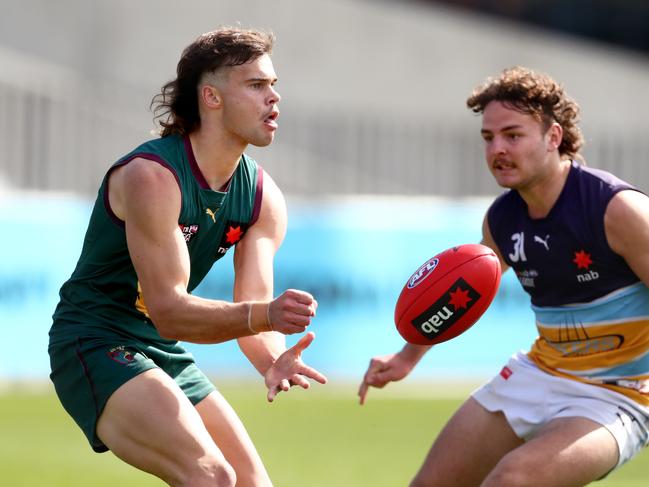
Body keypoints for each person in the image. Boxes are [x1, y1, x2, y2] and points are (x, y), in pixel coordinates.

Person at [48, 27, 327, 487]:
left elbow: (255, 310)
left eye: (274, 85)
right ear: (211, 97)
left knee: (253, 484)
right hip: (94, 341)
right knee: (211, 477)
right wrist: (268, 316)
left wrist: (273, 358)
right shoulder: (151, 177)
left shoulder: (262, 197)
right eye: (257, 85)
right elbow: (171, 312)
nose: (274, 98)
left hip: (157, 349)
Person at [359, 66, 649, 486]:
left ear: (554, 138)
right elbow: (458, 295)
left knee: (513, 480)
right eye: (488, 138)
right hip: (540, 374)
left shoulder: (617, 210)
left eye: (513, 135)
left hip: (619, 392)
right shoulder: (501, 219)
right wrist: (406, 357)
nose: (497, 149)